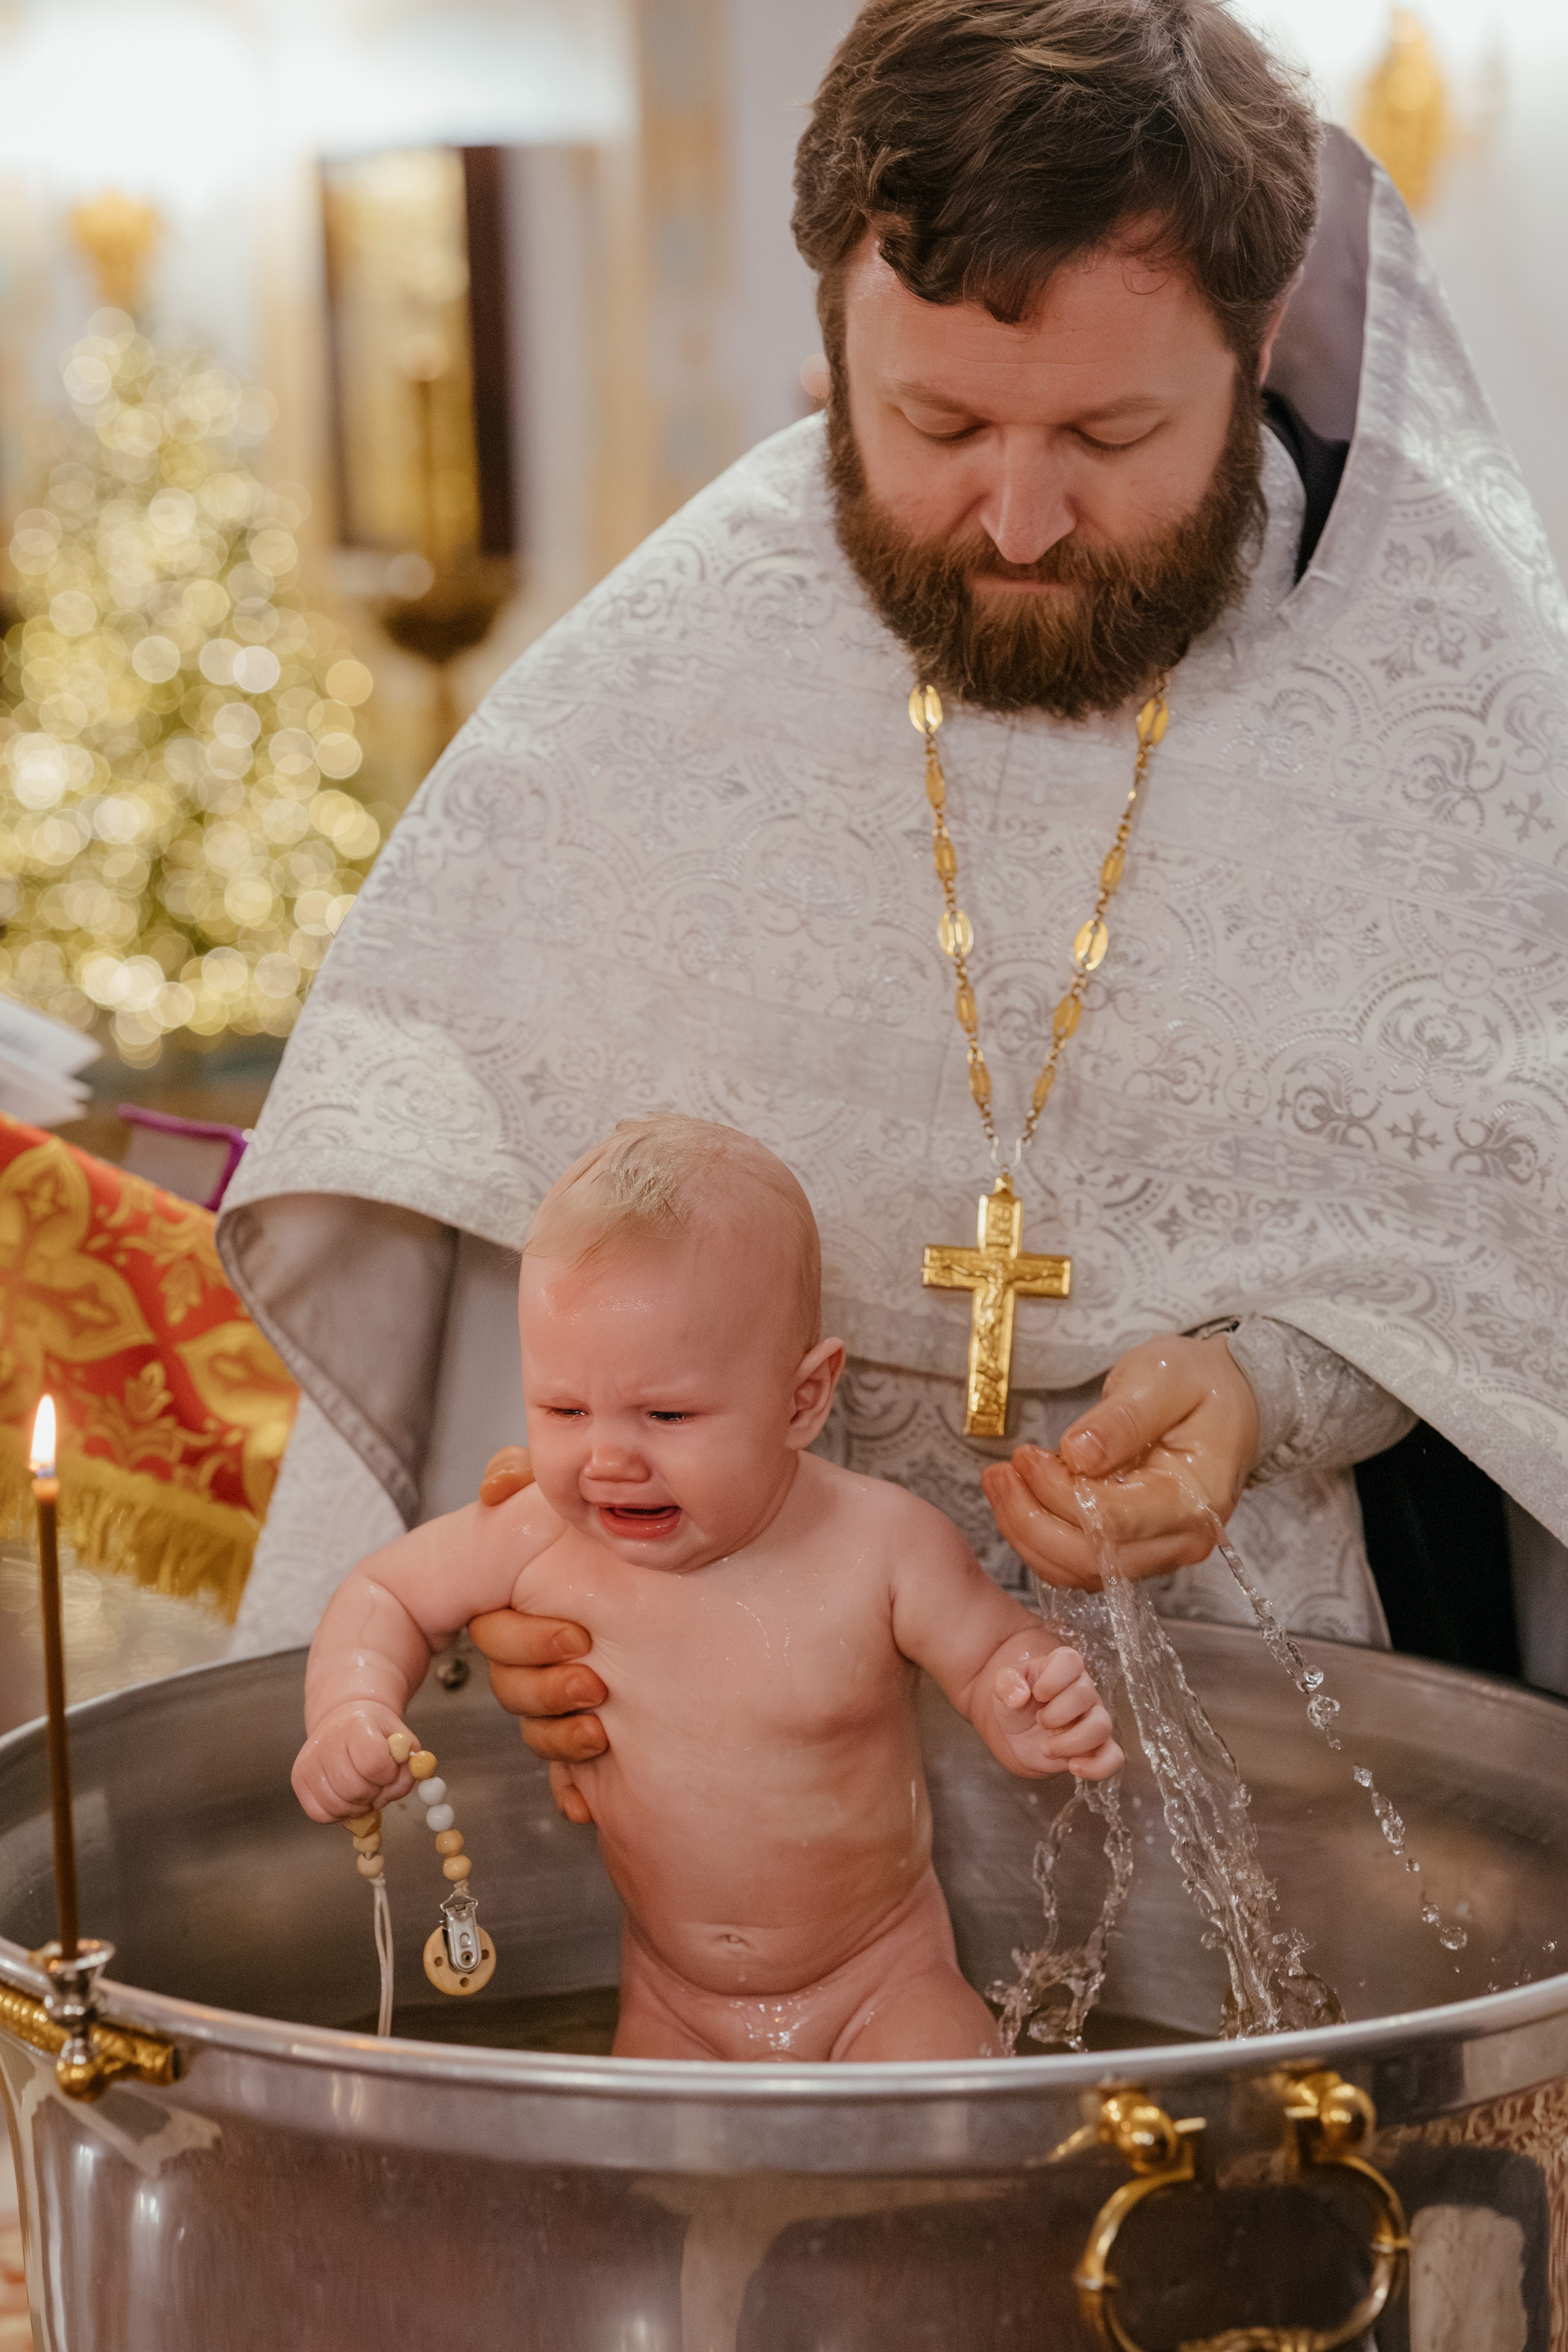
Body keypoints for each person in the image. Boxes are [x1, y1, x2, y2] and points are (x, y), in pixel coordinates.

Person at [221, 0, 1567, 1713]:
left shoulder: (1446, 709)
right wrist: (543, 1550)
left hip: (1273, 1700)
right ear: (836, 339)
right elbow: (493, 1247)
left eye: (1110, 439)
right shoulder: (669, 681)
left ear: (1255, 347)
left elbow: (1515, 1232)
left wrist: (1267, 1388)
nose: (1018, 519)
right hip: (724, 1724)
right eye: (936, 429)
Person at [292, 1117, 1120, 2062]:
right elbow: (384, 1595)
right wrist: (350, 1708)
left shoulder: (882, 1548)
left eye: (667, 1413)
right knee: (640, 2200)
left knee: (955, 2153)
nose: (608, 1460)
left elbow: (994, 1657)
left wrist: (1035, 1707)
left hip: (881, 1982)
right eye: (564, 1408)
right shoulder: (540, 1534)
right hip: (672, 2002)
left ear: (802, 1399)